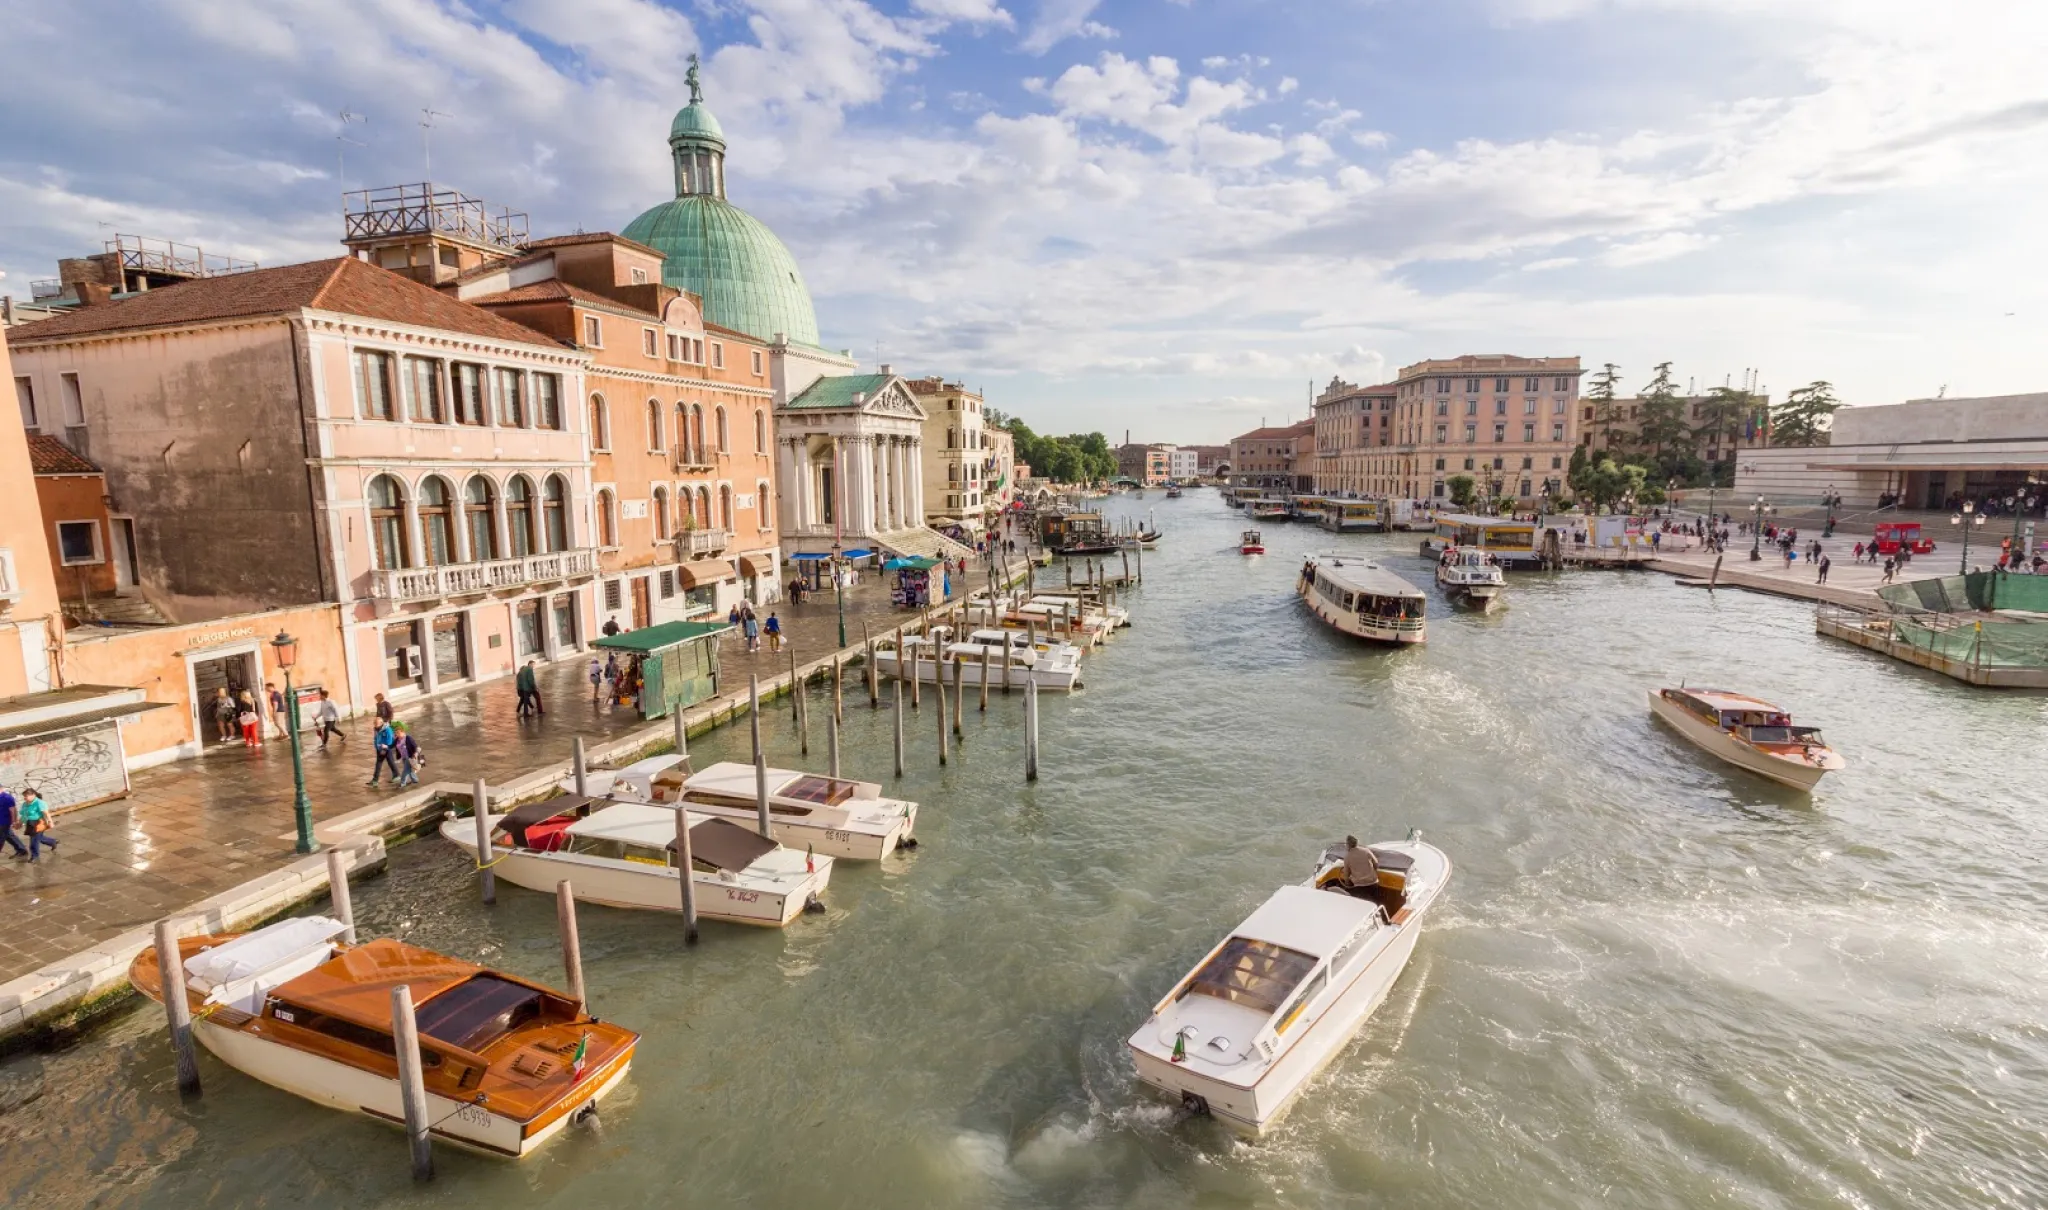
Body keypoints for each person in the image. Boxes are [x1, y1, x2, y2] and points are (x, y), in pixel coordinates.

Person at [20, 787, 57, 862]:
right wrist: (19, 823)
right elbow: (24, 815)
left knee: (34, 841)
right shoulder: (25, 804)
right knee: (39, 838)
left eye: (26, 796)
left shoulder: (39, 803)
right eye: (24, 796)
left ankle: (35, 856)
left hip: (38, 823)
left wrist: (50, 822)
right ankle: (53, 842)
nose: (24, 798)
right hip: (30, 824)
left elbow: (46, 813)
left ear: (33, 795)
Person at [368, 717, 400, 787]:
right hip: (379, 749)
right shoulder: (376, 729)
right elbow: (375, 738)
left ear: (381, 723)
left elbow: (390, 740)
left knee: (389, 762)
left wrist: (385, 746)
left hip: (386, 749)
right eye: (374, 723)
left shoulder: (387, 729)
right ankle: (375, 780)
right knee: (381, 763)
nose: (375, 725)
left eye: (376, 724)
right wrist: (377, 746)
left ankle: (396, 776)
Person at [393, 722, 422, 787]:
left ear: (403, 732)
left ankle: (403, 783)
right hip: (403, 757)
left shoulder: (408, 738)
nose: (397, 734)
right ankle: (415, 780)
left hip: (410, 757)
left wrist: (415, 753)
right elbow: (392, 745)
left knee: (405, 770)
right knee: (409, 769)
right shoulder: (397, 739)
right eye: (396, 733)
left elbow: (415, 746)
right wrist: (386, 746)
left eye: (398, 733)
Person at [0, 786, 25, 858]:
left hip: (4, 822)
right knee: (9, 836)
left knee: (1, 838)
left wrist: (14, 821)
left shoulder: (7, 798)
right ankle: (21, 849)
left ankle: (21, 849)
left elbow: (13, 810)